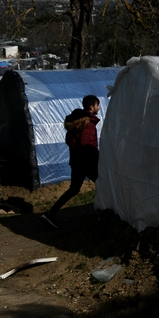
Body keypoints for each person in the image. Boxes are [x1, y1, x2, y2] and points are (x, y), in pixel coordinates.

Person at [41, 94, 100, 228]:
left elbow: (69, 141)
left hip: (77, 162)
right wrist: (95, 159)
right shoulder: (88, 125)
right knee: (104, 184)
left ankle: (51, 213)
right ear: (91, 107)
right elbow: (87, 146)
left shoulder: (76, 123)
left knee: (73, 189)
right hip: (88, 163)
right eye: (97, 105)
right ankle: (105, 211)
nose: (99, 108)